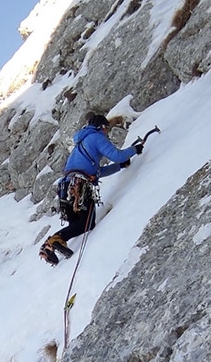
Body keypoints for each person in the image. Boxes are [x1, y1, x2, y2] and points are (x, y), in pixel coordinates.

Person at [39, 113, 142, 265]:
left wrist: (120, 166)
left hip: (65, 188)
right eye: (107, 129)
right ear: (102, 127)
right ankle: (55, 240)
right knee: (87, 223)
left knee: (77, 225)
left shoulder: (81, 144)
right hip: (79, 187)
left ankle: (51, 245)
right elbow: (116, 155)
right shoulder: (96, 137)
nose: (107, 133)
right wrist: (135, 149)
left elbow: (97, 172)